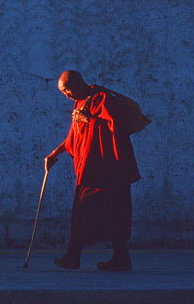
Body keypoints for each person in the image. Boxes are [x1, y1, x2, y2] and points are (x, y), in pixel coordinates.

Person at [45, 70, 141, 271]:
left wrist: (89, 120)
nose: (67, 95)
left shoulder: (102, 98)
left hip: (110, 170)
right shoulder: (80, 103)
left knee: (116, 212)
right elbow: (75, 136)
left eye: (68, 90)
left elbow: (116, 128)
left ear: (79, 83)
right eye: (64, 92)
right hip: (89, 170)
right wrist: (55, 153)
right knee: (81, 212)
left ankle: (119, 258)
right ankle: (74, 256)